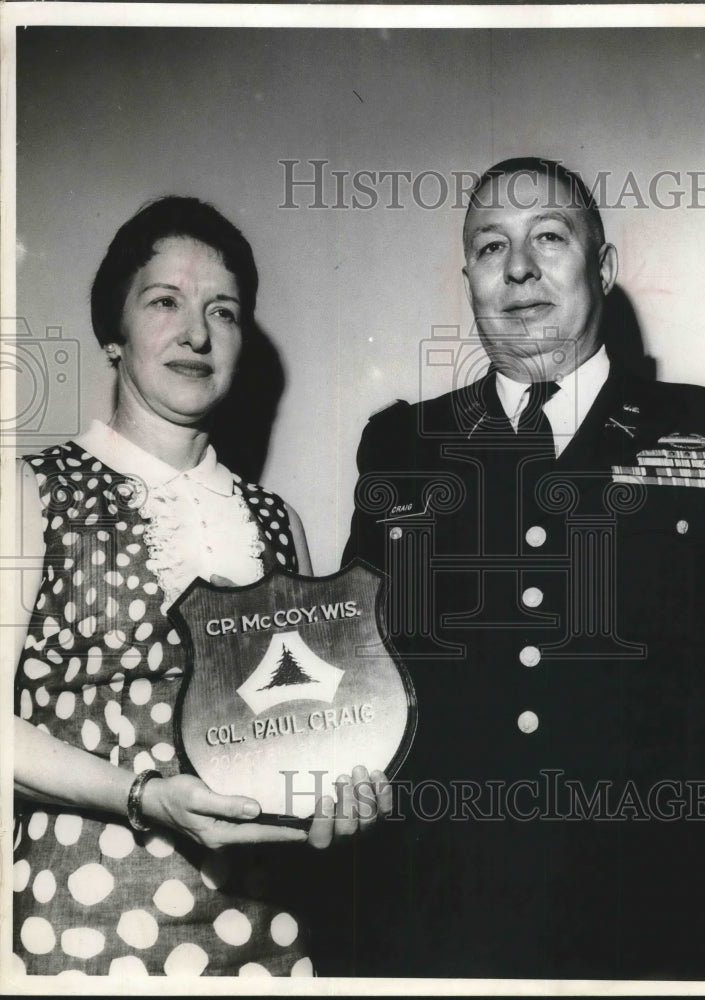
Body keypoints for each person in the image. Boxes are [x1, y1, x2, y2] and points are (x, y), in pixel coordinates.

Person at [336, 158, 705, 980]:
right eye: (492, 246)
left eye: (549, 238)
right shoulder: (402, 444)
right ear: (468, 276)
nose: (521, 268)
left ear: (599, 268)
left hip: (661, 921)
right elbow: (363, 670)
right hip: (441, 923)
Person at [12, 196, 391, 977]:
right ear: (113, 333)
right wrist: (142, 795)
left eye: (224, 311)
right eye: (164, 302)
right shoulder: (29, 491)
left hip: (266, 932)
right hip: (85, 917)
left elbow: (304, 734)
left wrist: (342, 796)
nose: (196, 333)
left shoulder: (275, 519)